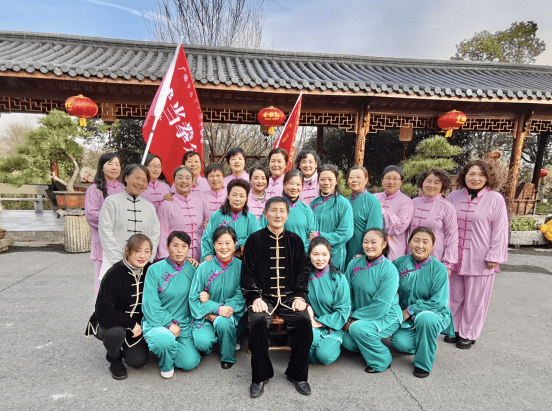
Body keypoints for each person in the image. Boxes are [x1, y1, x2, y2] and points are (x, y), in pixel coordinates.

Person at [242, 197, 313, 397]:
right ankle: (260, 376)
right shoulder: (254, 240)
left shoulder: (295, 240)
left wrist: (300, 295)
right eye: (273, 210)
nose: (278, 214)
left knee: (303, 321)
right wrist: (255, 297)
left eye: (282, 211)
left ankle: (298, 374)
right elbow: (247, 273)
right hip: (263, 297)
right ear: (265, 214)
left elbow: (303, 271)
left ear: (287, 215)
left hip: (290, 297)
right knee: (256, 322)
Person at [445, 160, 508, 349]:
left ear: (488, 178)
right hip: (455, 255)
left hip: (481, 257)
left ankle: (469, 332)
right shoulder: (454, 196)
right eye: (471, 173)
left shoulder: (495, 199)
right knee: (454, 295)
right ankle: (454, 328)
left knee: (475, 298)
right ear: (464, 175)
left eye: (481, 174)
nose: (476, 178)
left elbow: (500, 229)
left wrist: (494, 256)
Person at [85, 234, 152, 380]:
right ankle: (114, 357)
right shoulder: (114, 273)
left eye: (147, 251)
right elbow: (103, 310)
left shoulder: (150, 270)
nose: (142, 256)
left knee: (138, 361)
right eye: (137, 250)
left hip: (137, 327)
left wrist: (191, 262)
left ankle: (126, 350)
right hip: (110, 322)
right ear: (128, 251)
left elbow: (169, 271)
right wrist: (130, 323)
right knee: (116, 333)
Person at [391, 227, 454, 378]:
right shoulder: (399, 263)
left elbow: (438, 302)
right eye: (416, 240)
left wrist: (410, 310)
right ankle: (426, 341)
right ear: (409, 242)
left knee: (425, 318)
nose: (420, 245)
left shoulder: (439, 269)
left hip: (433, 314)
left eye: (425, 242)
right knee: (400, 343)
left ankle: (423, 363)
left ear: (432, 246)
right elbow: (387, 286)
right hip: (407, 318)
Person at [342, 228, 402, 373]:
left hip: (387, 315)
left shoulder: (389, 270)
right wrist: (346, 316)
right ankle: (370, 342)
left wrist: (354, 319)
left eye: (373, 242)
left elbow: (381, 306)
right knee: (345, 340)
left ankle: (382, 360)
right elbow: (345, 293)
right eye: (366, 242)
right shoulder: (354, 264)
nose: (369, 246)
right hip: (357, 315)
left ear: (384, 245)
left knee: (357, 329)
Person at [142, 231, 201, 379]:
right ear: (167, 247)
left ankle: (167, 349)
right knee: (165, 339)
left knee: (189, 362)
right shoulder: (154, 269)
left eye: (184, 246)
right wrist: (168, 324)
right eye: (175, 246)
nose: (180, 250)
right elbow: (150, 303)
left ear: (189, 249)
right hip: (158, 322)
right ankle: (165, 362)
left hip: (183, 324)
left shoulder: (194, 269)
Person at [189, 226, 245, 369]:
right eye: (219, 243)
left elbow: (241, 295)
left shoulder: (241, 267)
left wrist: (221, 311)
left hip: (229, 313)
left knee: (223, 322)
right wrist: (215, 309)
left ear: (234, 245)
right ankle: (216, 341)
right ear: (214, 245)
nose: (224, 247)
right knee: (202, 344)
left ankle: (228, 356)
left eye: (228, 243)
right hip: (206, 315)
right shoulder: (203, 267)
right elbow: (194, 297)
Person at [98, 164, 160, 280]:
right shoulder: (111, 202)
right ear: (126, 177)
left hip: (142, 268)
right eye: (137, 178)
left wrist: (147, 259)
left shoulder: (149, 207)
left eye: (144, 180)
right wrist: (120, 263)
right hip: (115, 267)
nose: (140, 183)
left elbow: (154, 235)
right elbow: (106, 234)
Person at [85, 152, 124, 300]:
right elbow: (91, 215)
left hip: (122, 243)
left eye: (117, 164)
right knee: (103, 282)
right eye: (110, 163)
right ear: (101, 167)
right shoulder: (94, 190)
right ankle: (102, 316)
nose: (114, 167)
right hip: (103, 245)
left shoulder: (124, 188)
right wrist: (114, 222)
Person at [306, 237, 351, 365]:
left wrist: (319, 322)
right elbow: (301, 300)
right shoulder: (305, 277)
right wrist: (307, 308)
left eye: (324, 254)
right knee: (307, 354)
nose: (320, 259)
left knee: (324, 356)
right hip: (311, 324)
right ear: (309, 255)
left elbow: (343, 310)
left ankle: (334, 344)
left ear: (330, 255)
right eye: (315, 254)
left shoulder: (338, 278)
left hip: (332, 325)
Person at [409, 168, 458, 272]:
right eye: (428, 181)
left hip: (435, 255)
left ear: (442, 186)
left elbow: (452, 235)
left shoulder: (447, 207)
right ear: (422, 183)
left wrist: (448, 263)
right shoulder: (412, 203)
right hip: (411, 254)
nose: (431, 186)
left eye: (436, 183)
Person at [201, 179, 259, 261]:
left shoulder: (251, 218)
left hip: (243, 262)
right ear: (228, 196)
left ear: (246, 198)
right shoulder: (217, 215)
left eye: (241, 196)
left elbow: (256, 239)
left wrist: (238, 244)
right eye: (234, 195)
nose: (237, 199)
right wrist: (207, 255)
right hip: (218, 260)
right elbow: (207, 238)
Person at [309, 164, 354, 272]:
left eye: (330, 179)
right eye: (323, 179)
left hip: (335, 254)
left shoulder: (343, 203)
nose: (326, 183)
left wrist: (321, 236)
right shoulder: (315, 203)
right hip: (315, 254)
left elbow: (347, 232)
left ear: (336, 181)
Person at [157, 166, 206, 261]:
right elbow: (162, 233)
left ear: (192, 182)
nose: (184, 181)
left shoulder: (199, 202)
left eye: (187, 178)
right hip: (175, 259)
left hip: (198, 258)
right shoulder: (166, 204)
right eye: (180, 177)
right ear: (174, 182)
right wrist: (165, 258)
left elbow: (201, 230)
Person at [260, 169, 316, 253]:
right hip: (275, 254)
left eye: (298, 184)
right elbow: (261, 231)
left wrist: (302, 251)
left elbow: (312, 236)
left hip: (300, 255)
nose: (294, 188)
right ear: (284, 184)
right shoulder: (273, 206)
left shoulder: (306, 209)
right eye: (291, 183)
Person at [374, 165, 414, 261]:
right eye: (387, 178)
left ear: (401, 182)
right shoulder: (374, 197)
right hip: (372, 247)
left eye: (395, 179)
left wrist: (381, 210)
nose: (391, 182)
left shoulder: (406, 201)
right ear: (382, 181)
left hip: (394, 250)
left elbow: (399, 226)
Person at [345, 166, 383, 263]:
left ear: (366, 180)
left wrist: (364, 254)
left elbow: (374, 231)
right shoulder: (345, 202)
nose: (354, 180)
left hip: (361, 253)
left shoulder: (372, 202)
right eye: (351, 177)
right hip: (344, 251)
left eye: (358, 177)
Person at [200, 163, 227, 227]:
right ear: (207, 179)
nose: (215, 179)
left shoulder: (229, 195)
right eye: (212, 176)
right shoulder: (201, 197)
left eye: (218, 175)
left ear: (223, 178)